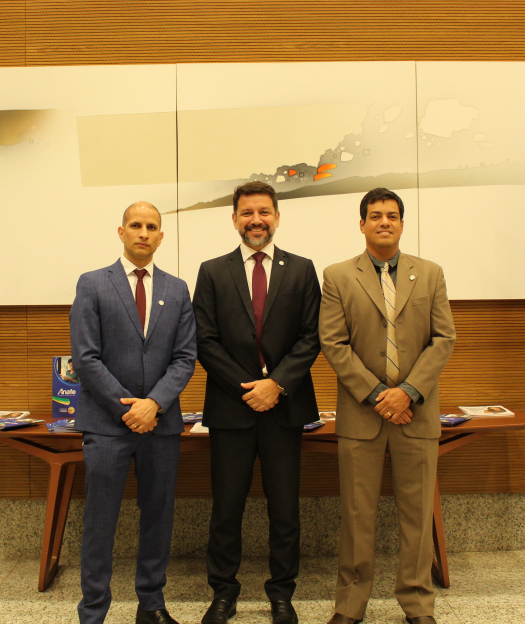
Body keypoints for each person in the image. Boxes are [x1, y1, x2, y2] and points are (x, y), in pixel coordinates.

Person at [319, 188, 455, 624]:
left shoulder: (429, 273)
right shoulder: (338, 276)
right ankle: (350, 604)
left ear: (401, 223)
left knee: (417, 517)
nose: (384, 222)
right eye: (375, 215)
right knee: (357, 515)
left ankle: (417, 602)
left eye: (392, 216)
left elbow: (443, 339)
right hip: (363, 414)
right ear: (362, 224)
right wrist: (380, 395)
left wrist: (407, 391)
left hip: (417, 412)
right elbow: (333, 343)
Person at [192, 181, 321, 624]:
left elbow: (311, 336)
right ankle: (223, 593)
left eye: (264, 211)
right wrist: (249, 388)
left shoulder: (302, 269)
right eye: (247, 213)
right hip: (232, 409)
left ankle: (282, 594)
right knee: (226, 509)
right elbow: (205, 340)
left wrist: (276, 385)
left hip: (285, 410)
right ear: (234, 220)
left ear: (277, 217)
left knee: (285, 509)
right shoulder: (212, 271)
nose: (256, 220)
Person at [70, 201, 197, 624]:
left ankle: (152, 605)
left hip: (160, 424)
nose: (144, 232)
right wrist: (128, 408)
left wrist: (154, 404)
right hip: (107, 425)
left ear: (161, 236)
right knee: (100, 521)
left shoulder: (177, 289)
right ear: (121, 232)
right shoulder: (92, 283)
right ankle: (93, 612)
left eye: (152, 226)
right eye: (136, 225)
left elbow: (185, 357)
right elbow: (85, 358)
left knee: (158, 517)